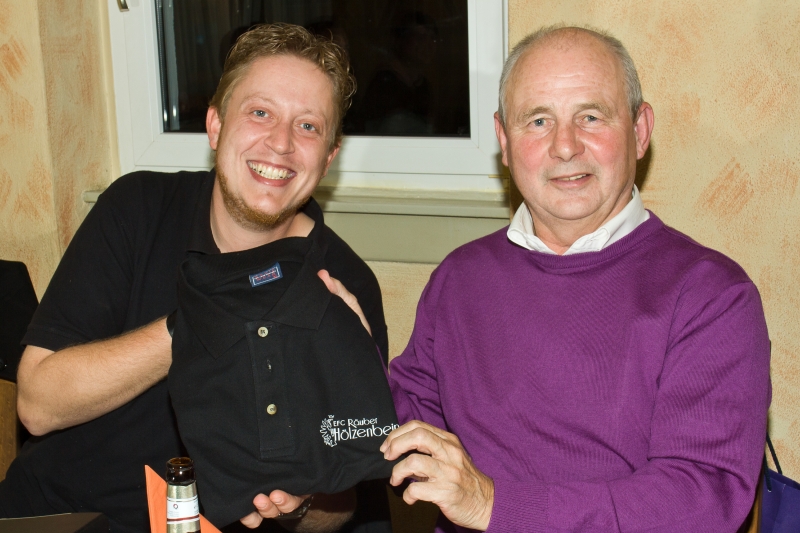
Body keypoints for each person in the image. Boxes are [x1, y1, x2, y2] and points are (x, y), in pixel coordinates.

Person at [1, 23, 392, 533]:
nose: (280, 143)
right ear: (215, 126)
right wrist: (199, 324)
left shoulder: (343, 285)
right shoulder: (137, 210)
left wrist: (299, 505)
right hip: (63, 512)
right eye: (260, 113)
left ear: (329, 156)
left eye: (308, 126)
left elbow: (342, 507)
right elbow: (37, 404)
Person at [381, 25, 771, 532]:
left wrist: (494, 505)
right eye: (538, 120)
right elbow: (403, 427)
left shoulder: (711, 296)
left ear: (640, 130)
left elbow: (699, 497)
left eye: (590, 117)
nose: (565, 146)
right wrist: (341, 357)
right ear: (504, 140)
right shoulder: (459, 278)